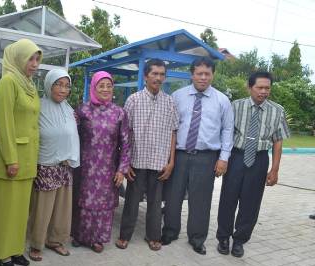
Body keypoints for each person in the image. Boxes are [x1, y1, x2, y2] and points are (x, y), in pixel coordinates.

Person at [162, 56, 234, 255]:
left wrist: (223, 158)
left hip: (207, 157)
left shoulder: (222, 100)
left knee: (200, 200)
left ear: (213, 75)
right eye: (199, 73)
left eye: (207, 74)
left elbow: (227, 131)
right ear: (191, 74)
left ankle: (196, 238)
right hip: (180, 155)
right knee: (173, 196)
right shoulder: (177, 96)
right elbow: (170, 128)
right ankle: (169, 231)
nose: (203, 77)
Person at [216, 71, 290, 258]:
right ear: (249, 87)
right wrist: (222, 158)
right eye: (260, 87)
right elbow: (225, 133)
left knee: (251, 203)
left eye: (267, 88)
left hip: (259, 159)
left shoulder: (277, 110)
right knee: (228, 199)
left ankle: (239, 240)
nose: (264, 91)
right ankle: (223, 238)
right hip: (236, 157)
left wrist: (274, 169)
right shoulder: (236, 106)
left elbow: (278, 141)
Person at [116, 59, 178, 251]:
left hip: (159, 162)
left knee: (155, 202)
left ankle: (153, 236)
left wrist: (171, 162)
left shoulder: (169, 102)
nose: (158, 78)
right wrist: (125, 164)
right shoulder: (133, 100)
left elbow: (173, 132)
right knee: (132, 202)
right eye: (154, 74)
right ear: (145, 76)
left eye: (161, 74)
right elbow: (125, 134)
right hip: (137, 161)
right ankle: (124, 235)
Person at [0, 39, 42, 266]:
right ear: (18, 58)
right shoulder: (8, 82)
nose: (34, 64)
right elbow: (6, 124)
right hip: (11, 159)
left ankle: (15, 250)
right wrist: (11, 159)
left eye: (37, 59)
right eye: (30, 58)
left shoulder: (28, 84)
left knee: (20, 211)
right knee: (5, 211)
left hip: (28, 158)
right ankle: (3, 254)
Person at [72, 71, 130, 253]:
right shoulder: (82, 110)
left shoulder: (119, 112)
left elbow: (126, 143)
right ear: (94, 87)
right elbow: (71, 134)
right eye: (101, 85)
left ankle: (97, 238)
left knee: (103, 204)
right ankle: (80, 236)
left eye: (109, 85)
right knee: (83, 202)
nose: (105, 89)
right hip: (85, 167)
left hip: (107, 168)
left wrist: (122, 169)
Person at [27, 69, 80, 261]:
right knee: (43, 208)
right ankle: (36, 243)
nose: (63, 90)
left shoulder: (69, 109)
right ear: (49, 85)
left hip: (64, 165)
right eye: (59, 84)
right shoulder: (38, 106)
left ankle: (55, 240)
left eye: (67, 86)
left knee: (62, 208)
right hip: (46, 165)